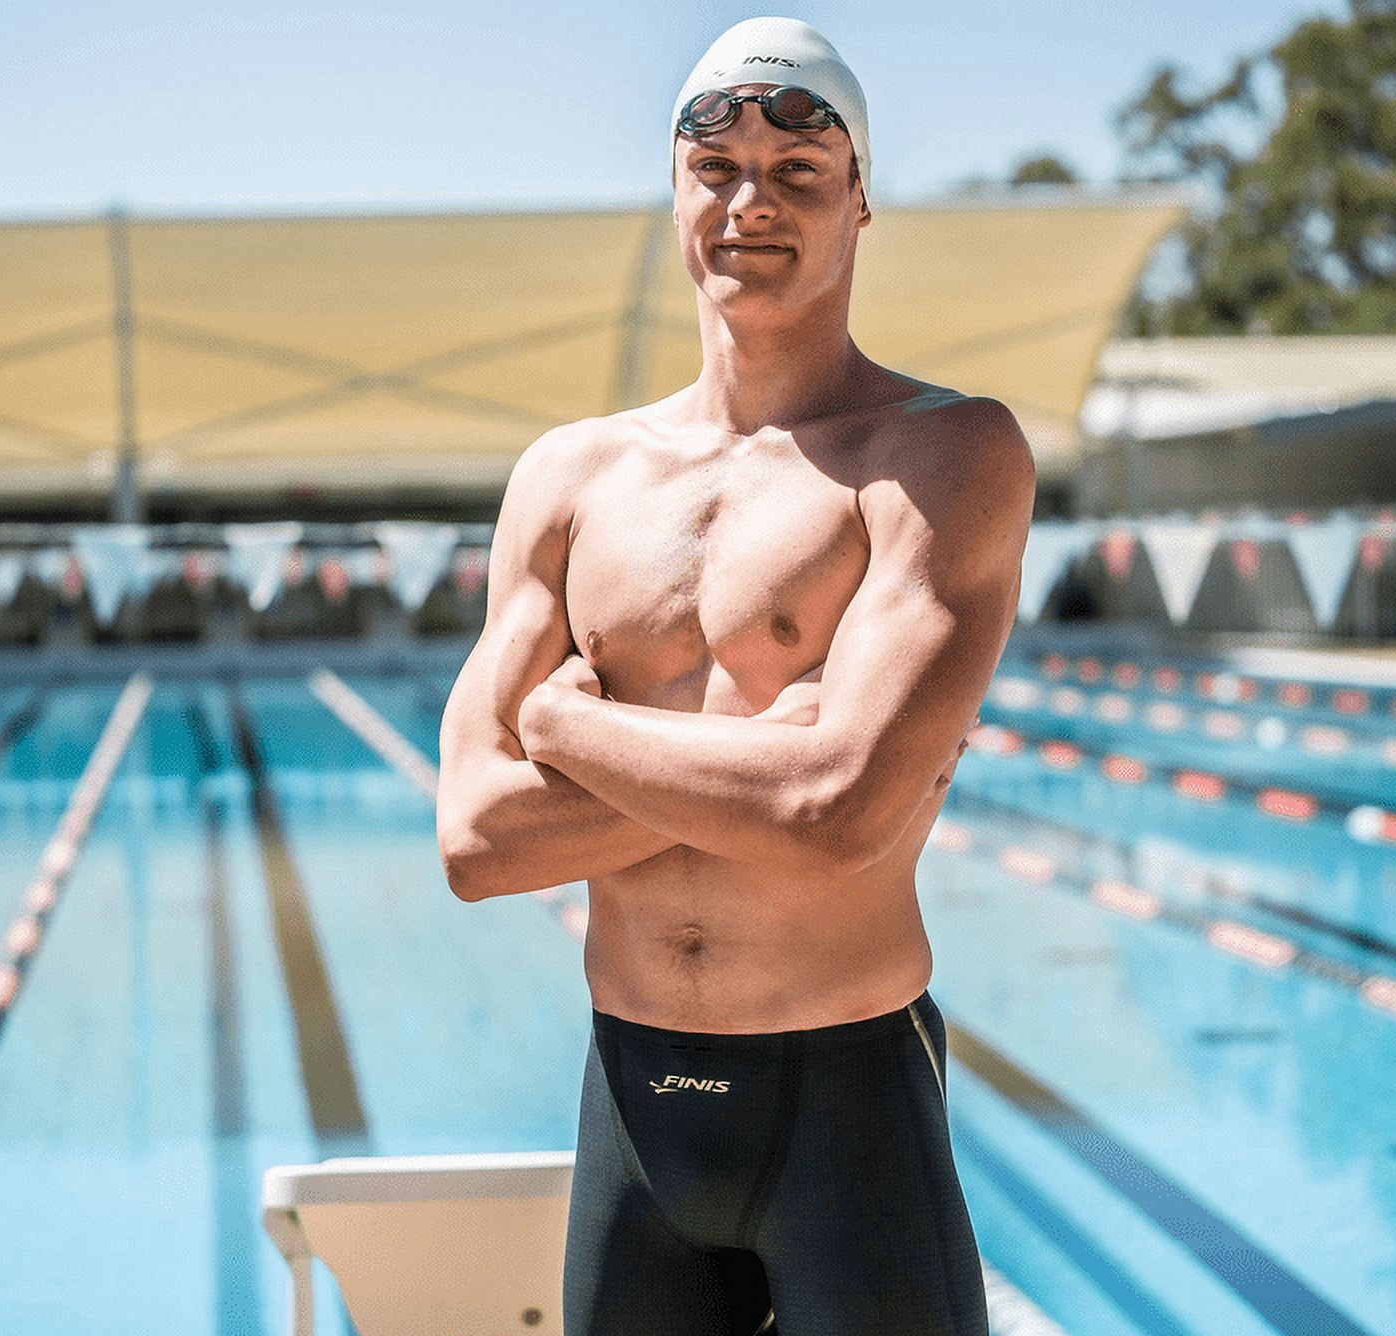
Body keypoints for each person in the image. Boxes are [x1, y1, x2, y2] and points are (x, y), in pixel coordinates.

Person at [436, 16, 1033, 1334]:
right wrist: (769, 752)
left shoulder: (941, 460)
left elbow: (839, 813)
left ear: (861, 199)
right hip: (632, 1104)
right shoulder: (571, 478)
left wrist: (566, 728)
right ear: (674, 192)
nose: (750, 202)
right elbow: (475, 840)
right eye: (716, 170)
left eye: (797, 172)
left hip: (846, 1106)